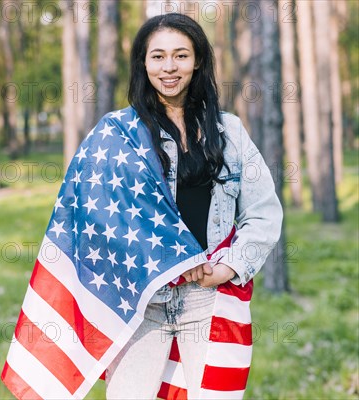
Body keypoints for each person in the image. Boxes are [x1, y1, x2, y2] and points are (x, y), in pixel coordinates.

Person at [104, 13, 283, 400]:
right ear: (143, 63)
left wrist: (232, 266)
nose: (169, 67)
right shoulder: (119, 134)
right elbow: (98, 218)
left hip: (208, 300)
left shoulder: (229, 131)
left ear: (198, 60)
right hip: (141, 304)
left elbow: (264, 212)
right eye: (158, 56)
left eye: (181, 55)